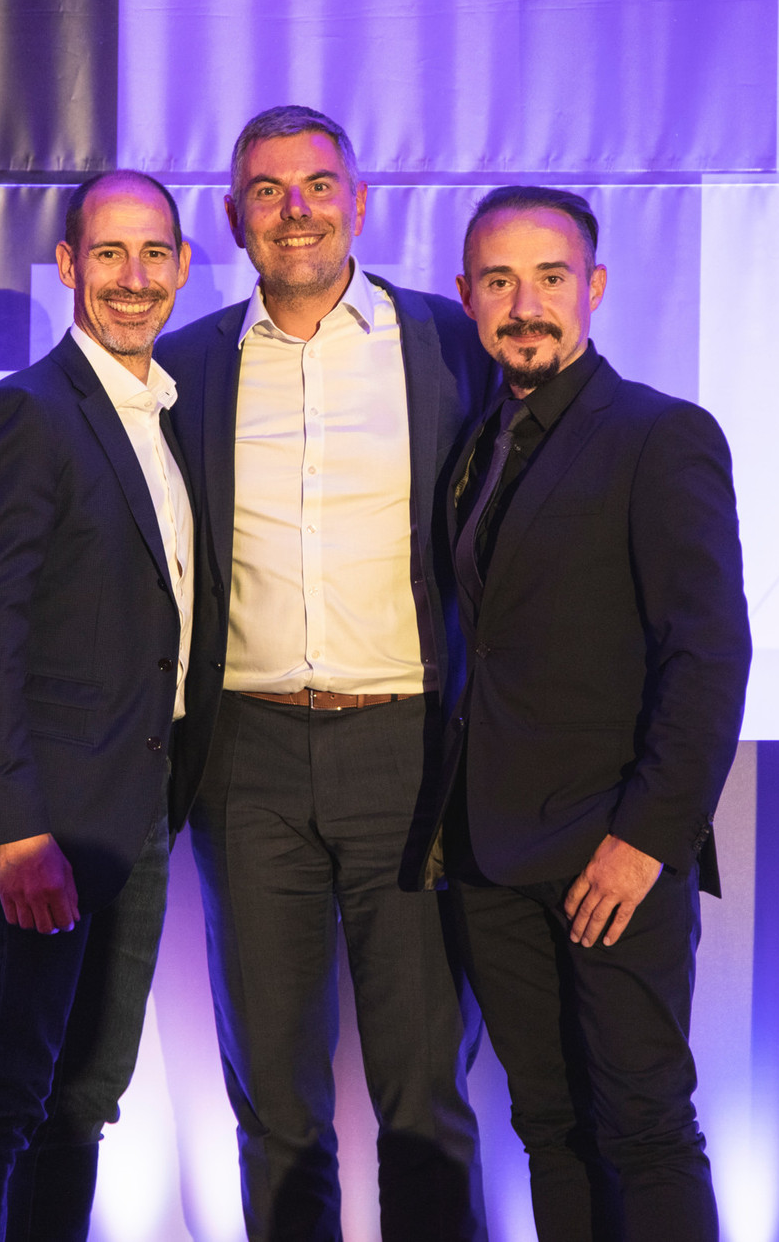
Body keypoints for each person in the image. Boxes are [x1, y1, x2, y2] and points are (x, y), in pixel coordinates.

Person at [155, 105, 494, 1242]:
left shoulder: (449, 344)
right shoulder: (188, 368)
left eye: (316, 186)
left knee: (426, 1095)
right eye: (267, 190)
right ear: (233, 217)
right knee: (275, 1104)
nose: (294, 210)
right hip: (246, 762)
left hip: (410, 754)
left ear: (360, 201)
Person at [406, 186, 751, 1242]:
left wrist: (647, 841)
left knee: (644, 1126)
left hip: (612, 849)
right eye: (500, 281)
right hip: (492, 855)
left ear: (593, 286)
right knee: (549, 1127)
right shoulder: (479, 442)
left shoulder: (660, 435)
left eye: (550, 278)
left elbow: (709, 654)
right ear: (467, 296)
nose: (526, 305)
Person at [0, 169, 196, 1242]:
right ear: (71, 265)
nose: (133, 277)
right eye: (109, 253)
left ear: (182, 266)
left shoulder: (165, 419)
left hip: (138, 809)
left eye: (154, 253)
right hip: (48, 823)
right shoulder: (23, 414)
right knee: (2, 1085)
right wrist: (16, 828)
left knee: (84, 1097)